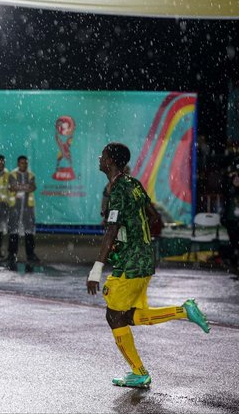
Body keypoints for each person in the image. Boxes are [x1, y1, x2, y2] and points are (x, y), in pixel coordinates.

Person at [87, 142, 210, 389]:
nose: (100, 158)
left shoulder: (119, 189)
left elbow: (111, 229)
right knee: (130, 316)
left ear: (110, 161)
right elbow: (152, 213)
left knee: (114, 316)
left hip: (131, 261)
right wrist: (132, 228)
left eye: (103, 155)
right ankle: (182, 312)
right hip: (144, 257)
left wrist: (96, 269)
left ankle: (140, 371)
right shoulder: (133, 184)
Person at [6, 155, 40, 270]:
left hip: (27, 209)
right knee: (13, 232)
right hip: (15, 208)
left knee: (29, 232)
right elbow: (12, 187)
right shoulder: (12, 174)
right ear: (18, 163)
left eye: (25, 163)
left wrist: (19, 187)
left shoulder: (31, 175)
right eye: (21, 163)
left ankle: (30, 254)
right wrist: (23, 187)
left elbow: (32, 188)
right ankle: (12, 255)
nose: (23, 165)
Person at [221, 156, 239, 273]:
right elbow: (226, 193)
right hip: (231, 218)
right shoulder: (229, 186)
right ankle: (234, 262)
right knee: (233, 241)